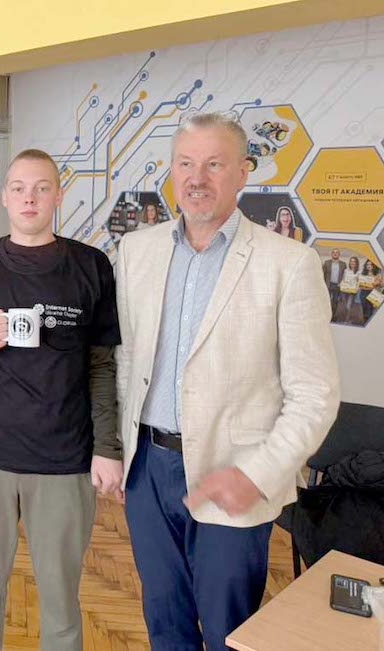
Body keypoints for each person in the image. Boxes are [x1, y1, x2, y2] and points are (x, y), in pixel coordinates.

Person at [115, 111, 340, 651]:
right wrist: (116, 452)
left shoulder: (289, 263)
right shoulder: (136, 251)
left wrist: (257, 473)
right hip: (146, 470)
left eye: (214, 164)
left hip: (231, 473)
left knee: (228, 632)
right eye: (186, 164)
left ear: (243, 172)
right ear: (171, 171)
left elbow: (314, 395)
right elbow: (126, 359)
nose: (197, 178)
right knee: (164, 623)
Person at [0, 149, 122, 651]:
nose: (30, 198)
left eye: (41, 188)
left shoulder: (90, 266)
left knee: (62, 599)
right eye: (19, 188)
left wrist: (108, 448)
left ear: (59, 195)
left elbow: (103, 364)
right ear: (4, 197)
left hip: (64, 460)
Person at [334, 256, 365, 326]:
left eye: (354, 261)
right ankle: (345, 319)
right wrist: (340, 284)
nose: (352, 263)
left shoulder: (358, 272)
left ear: (356, 263)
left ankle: (347, 320)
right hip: (344, 291)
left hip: (352, 292)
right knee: (344, 306)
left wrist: (357, 288)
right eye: (351, 261)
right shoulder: (346, 270)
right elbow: (343, 279)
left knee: (348, 306)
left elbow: (358, 282)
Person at [322, 248, 346, 314]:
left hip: (337, 286)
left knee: (335, 301)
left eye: (337, 252)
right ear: (331, 254)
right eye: (334, 252)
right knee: (326, 301)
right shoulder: (326, 263)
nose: (335, 253)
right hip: (328, 284)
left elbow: (345, 276)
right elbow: (323, 274)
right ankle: (326, 314)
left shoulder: (343, 264)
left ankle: (333, 315)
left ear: (339, 254)